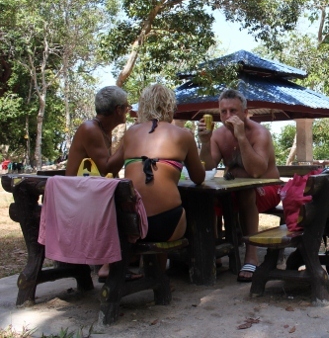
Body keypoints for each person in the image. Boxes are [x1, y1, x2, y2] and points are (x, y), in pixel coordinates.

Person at [121, 84, 205, 277]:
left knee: (141, 210)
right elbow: (199, 178)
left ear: (143, 106)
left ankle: (145, 272)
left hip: (129, 225)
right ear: (170, 106)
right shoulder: (183, 135)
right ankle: (159, 275)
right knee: (187, 209)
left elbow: (111, 164)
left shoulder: (131, 133)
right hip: (166, 224)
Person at [198, 88, 280, 282]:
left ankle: (251, 256)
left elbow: (256, 172)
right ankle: (213, 252)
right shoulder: (218, 135)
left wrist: (242, 137)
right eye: (223, 112)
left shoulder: (260, 133)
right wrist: (205, 142)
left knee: (246, 192)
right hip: (235, 188)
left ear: (245, 112)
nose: (228, 116)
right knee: (203, 197)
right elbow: (208, 166)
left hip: (267, 188)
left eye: (233, 111)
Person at [66, 86, 129, 177]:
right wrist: (129, 139)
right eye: (127, 107)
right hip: (77, 189)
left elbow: (111, 174)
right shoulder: (90, 129)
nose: (128, 110)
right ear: (118, 110)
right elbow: (107, 170)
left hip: (89, 188)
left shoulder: (104, 130)